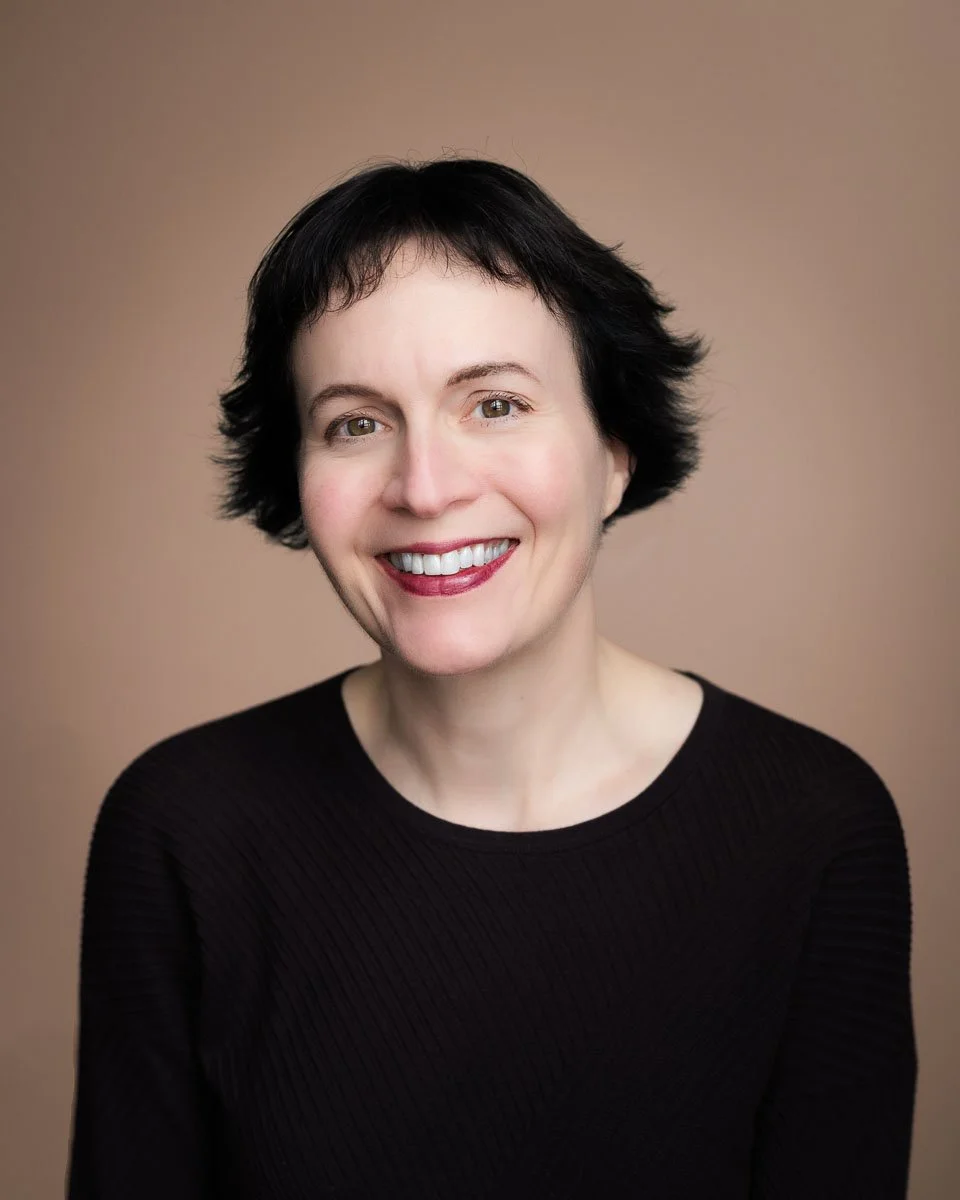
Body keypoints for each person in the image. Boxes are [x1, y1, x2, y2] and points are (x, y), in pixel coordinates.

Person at [66, 156, 917, 1198]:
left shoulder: (812, 827)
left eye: (497, 405)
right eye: (356, 423)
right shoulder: (184, 825)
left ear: (615, 450)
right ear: (296, 473)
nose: (425, 488)